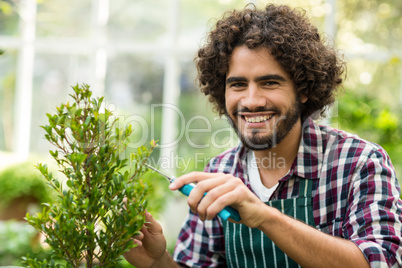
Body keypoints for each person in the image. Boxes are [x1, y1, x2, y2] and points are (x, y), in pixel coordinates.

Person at [124, 4, 402, 267]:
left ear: (303, 90)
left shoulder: (359, 163)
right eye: (238, 85)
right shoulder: (220, 171)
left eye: (269, 83)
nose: (252, 100)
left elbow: (381, 261)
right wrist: (157, 262)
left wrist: (265, 216)